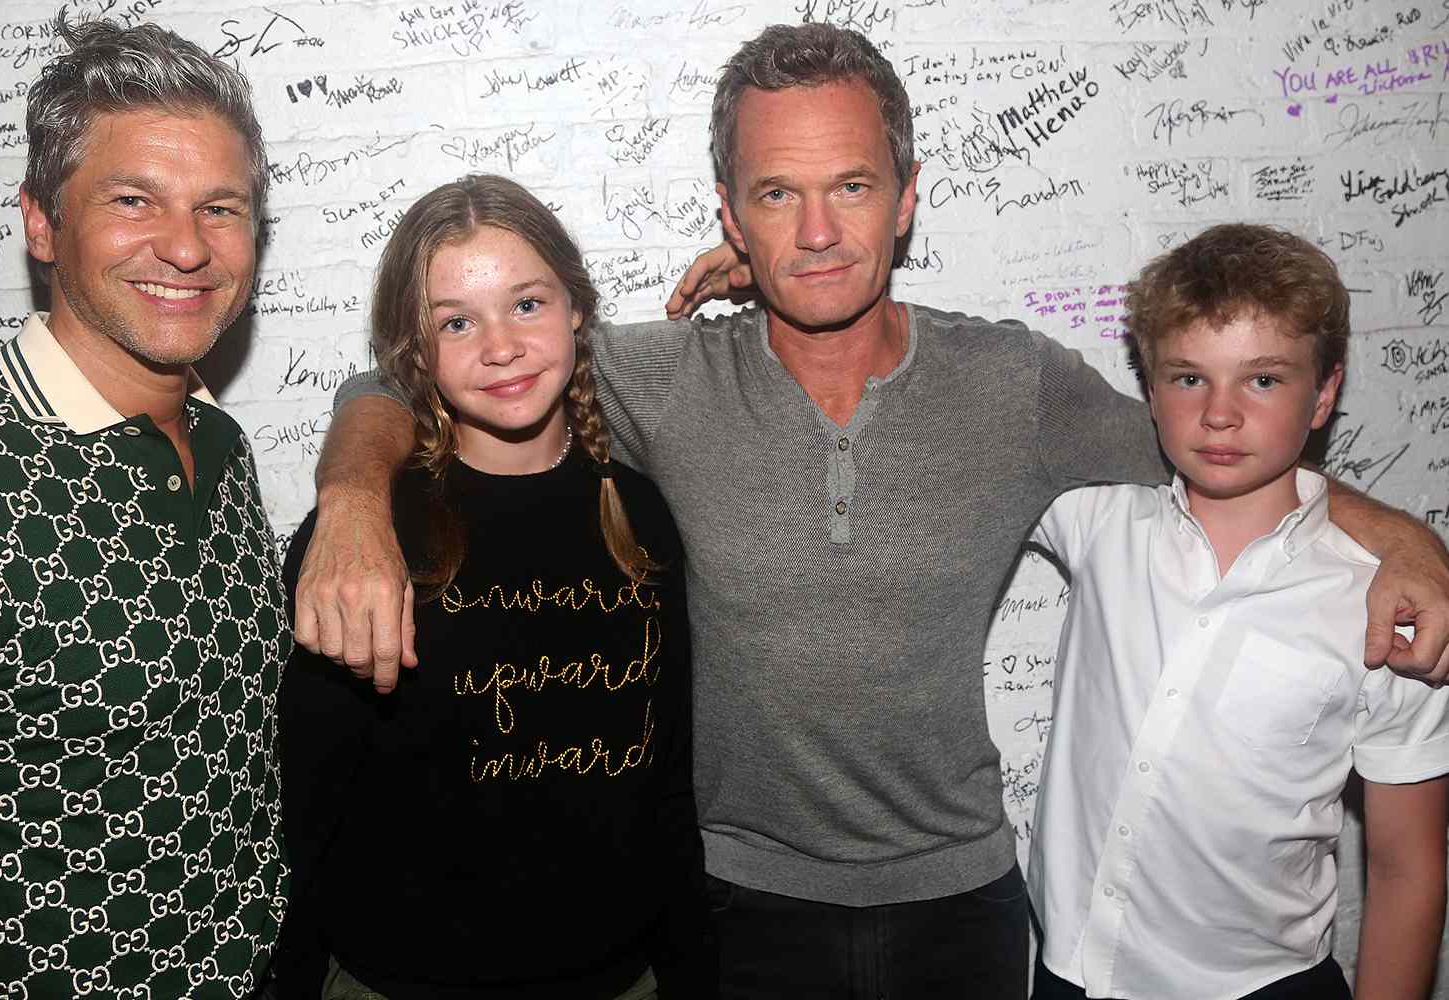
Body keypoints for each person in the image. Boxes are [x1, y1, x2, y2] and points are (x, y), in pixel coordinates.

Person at [295, 23, 1449, 997]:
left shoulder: (1017, 384)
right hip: (733, 905)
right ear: (731, 214)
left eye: (849, 186)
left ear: (906, 198)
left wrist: (1402, 533)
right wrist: (352, 492)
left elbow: (1223, 444)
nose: (816, 232)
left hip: (964, 906)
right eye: (777, 194)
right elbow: (429, 363)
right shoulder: (659, 378)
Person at [272, 175, 707, 1000]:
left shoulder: (643, 516)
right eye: (457, 322)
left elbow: (669, 786)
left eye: (529, 304)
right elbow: (311, 801)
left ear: (578, 308)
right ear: (415, 349)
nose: (500, 347)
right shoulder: (363, 541)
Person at [0, 13, 286, 1000]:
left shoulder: (222, 445)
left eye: (220, 208)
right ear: (42, 222)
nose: (186, 248)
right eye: (135, 199)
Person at [1027, 224, 1449, 1000]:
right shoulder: (1095, 519)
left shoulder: (1388, 608)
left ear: (1324, 394)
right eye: (1189, 378)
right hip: (1071, 977)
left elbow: (1407, 867)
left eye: (1262, 380)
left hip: (1266, 987)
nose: (1220, 415)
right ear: (1149, 389)